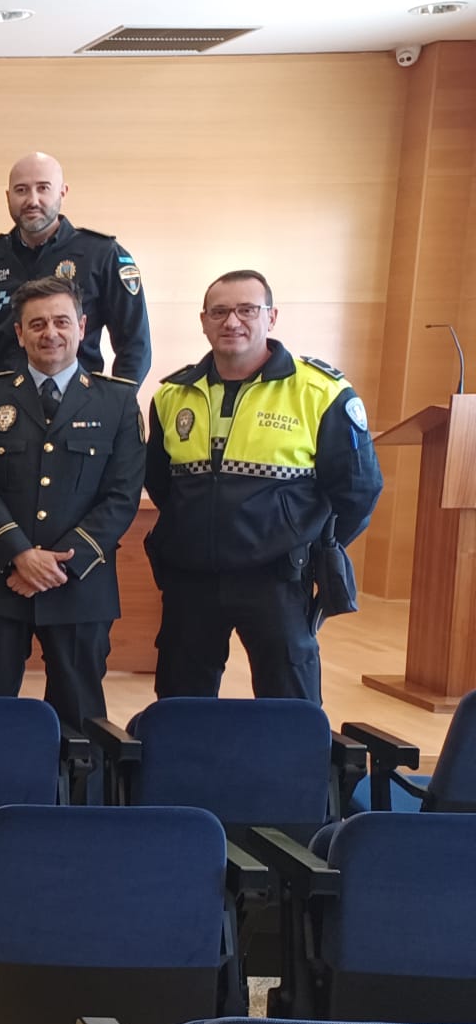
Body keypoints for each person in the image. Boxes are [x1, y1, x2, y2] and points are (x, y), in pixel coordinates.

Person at [145, 269, 382, 702]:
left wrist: (310, 545)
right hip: (192, 577)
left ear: (271, 317)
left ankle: (288, 773)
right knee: (180, 698)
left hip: (277, 577)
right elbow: (163, 485)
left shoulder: (321, 392)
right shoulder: (171, 396)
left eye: (246, 310)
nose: (232, 321)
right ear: (203, 320)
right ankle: (187, 771)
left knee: (287, 701)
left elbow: (358, 491)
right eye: (219, 312)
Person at [0, 276, 144, 740]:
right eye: (36, 324)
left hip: (80, 584)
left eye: (61, 321)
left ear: (82, 327)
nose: (50, 333)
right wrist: (20, 554)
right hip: (0, 580)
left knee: (80, 714)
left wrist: (58, 565)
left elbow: (121, 496)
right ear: (18, 333)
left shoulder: (117, 400)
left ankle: (76, 809)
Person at [0, 151, 151, 389]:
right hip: (0, 410)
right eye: (21, 190)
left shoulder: (101, 255)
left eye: (43, 188)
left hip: (78, 406)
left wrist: (117, 404)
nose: (32, 200)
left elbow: (134, 345)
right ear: (8, 196)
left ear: (62, 192)